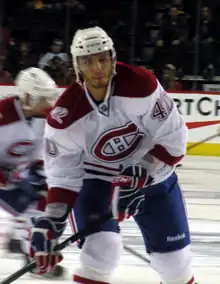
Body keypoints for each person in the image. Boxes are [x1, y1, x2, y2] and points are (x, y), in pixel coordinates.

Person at [29, 27, 195, 284]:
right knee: (101, 251)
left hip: (152, 178)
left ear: (113, 59)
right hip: (97, 181)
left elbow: (173, 139)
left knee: (175, 265)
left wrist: (144, 171)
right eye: (87, 61)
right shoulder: (65, 117)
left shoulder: (141, 85)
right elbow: (63, 177)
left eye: (103, 59)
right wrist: (51, 221)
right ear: (77, 66)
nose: (97, 68)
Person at [0, 67, 64, 278]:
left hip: (17, 174)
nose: (49, 103)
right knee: (30, 208)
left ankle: (20, 240)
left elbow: (37, 156)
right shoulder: (3, 116)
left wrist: (42, 180)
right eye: (44, 98)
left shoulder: (42, 119)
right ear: (27, 97)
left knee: (43, 202)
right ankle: (35, 259)